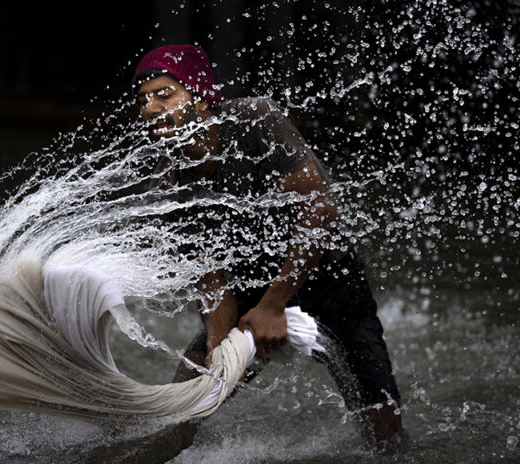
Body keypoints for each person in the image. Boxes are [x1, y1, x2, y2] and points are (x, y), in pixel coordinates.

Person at [132, 44, 402, 447]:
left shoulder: (253, 119)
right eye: (143, 100)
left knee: (383, 431)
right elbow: (212, 282)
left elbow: (320, 208)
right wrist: (220, 351)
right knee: (188, 399)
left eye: (164, 94)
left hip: (328, 276)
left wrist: (275, 304)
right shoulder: (169, 180)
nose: (150, 108)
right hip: (249, 290)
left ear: (203, 99)